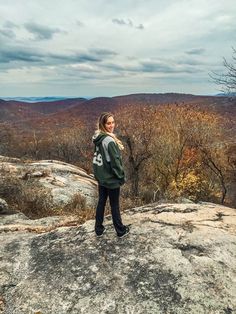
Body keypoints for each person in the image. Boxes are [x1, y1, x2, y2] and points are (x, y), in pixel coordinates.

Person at [92, 112, 130, 238]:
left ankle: (98, 229)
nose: (112, 125)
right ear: (103, 124)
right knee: (114, 205)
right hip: (111, 178)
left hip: (102, 177)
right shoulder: (109, 141)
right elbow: (115, 163)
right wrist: (121, 176)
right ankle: (120, 230)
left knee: (101, 202)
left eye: (113, 122)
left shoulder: (98, 137)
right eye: (108, 123)